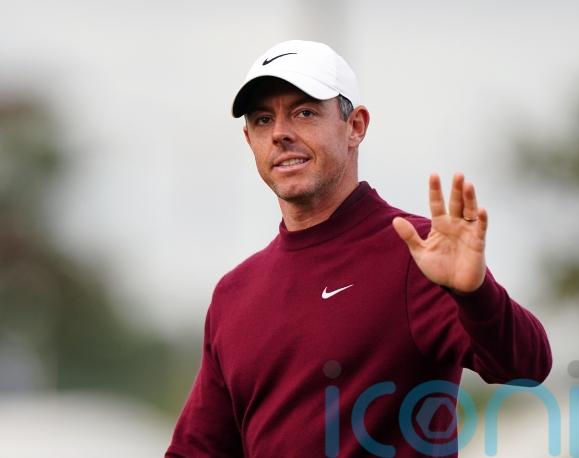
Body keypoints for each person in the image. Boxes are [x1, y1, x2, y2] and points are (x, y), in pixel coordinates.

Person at [165, 40, 552, 458]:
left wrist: (475, 294)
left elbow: (527, 367)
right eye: (263, 120)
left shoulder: (421, 253)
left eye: (304, 112)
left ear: (355, 126)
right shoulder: (234, 293)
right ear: (249, 140)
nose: (279, 133)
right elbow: (197, 450)